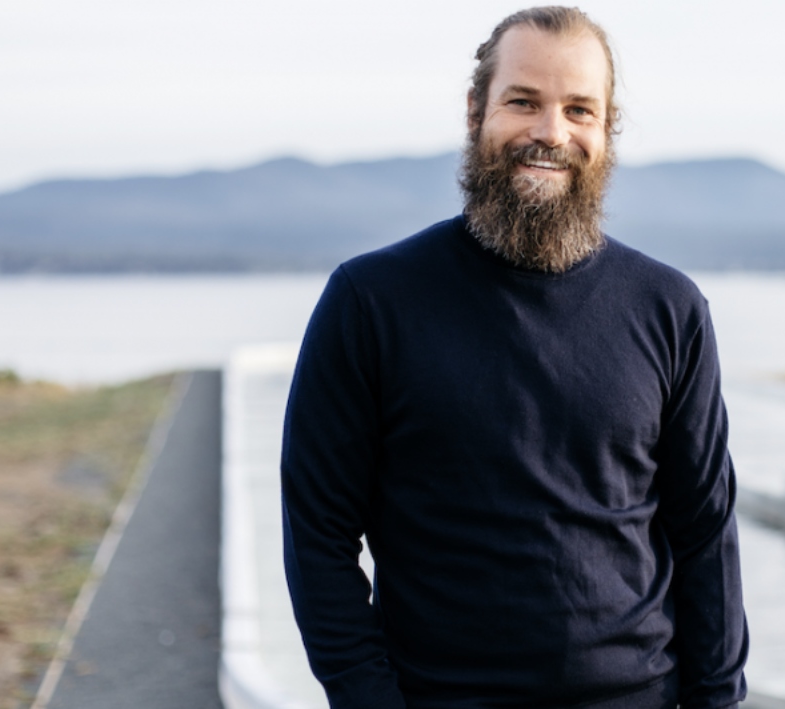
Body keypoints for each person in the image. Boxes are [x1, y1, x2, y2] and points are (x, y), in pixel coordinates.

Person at [280, 7, 749, 709]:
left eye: (579, 110)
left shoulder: (670, 307)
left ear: (606, 129)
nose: (550, 133)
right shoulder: (371, 300)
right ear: (477, 112)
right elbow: (318, 531)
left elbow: (706, 532)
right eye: (523, 101)